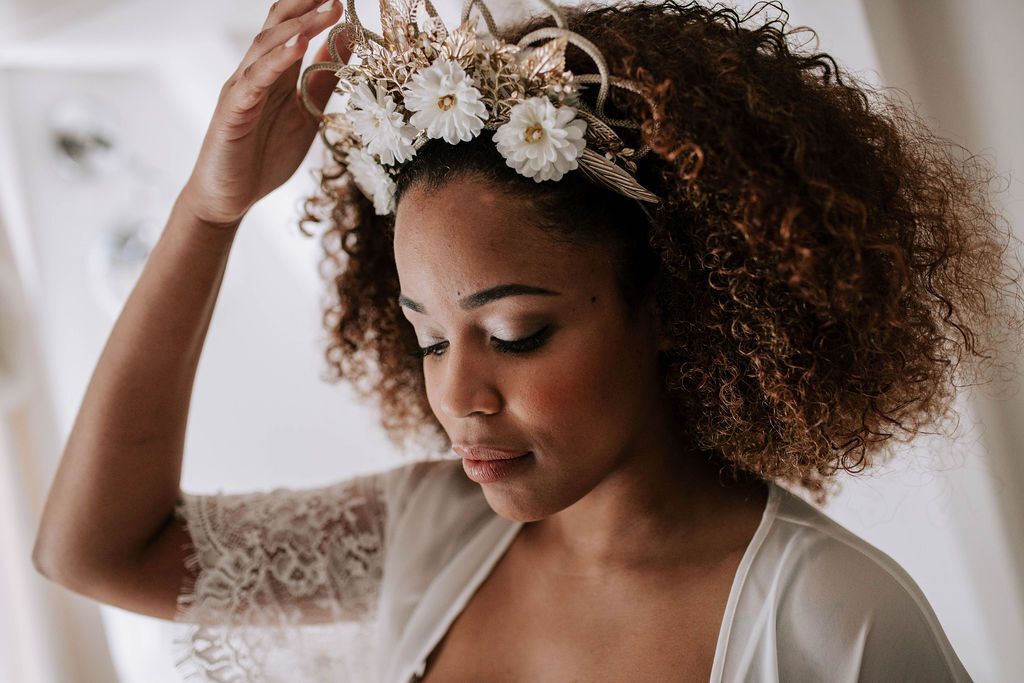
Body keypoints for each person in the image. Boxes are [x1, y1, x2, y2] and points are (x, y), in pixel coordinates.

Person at [31, 0, 1021, 681]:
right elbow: (97, 551)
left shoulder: (828, 616)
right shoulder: (429, 528)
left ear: (676, 307)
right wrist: (211, 210)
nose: (459, 393)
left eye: (514, 331)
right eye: (426, 338)